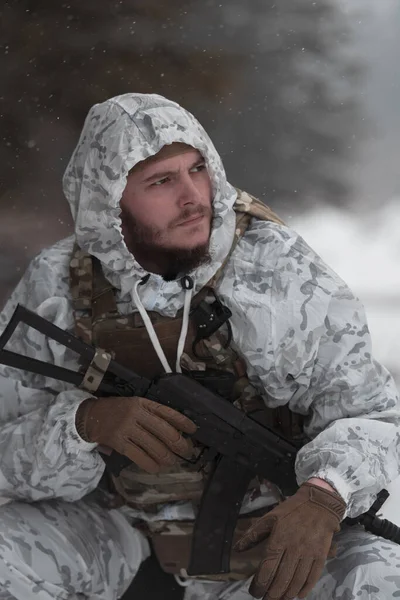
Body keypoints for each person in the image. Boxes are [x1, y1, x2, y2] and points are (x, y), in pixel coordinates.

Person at [0, 92, 399, 600]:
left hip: (273, 540)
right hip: (118, 542)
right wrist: (83, 427)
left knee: (381, 581)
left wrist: (325, 495)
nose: (194, 195)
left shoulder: (278, 269)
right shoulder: (57, 286)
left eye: (197, 169)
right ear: (110, 200)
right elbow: (5, 457)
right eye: (162, 181)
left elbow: (371, 413)